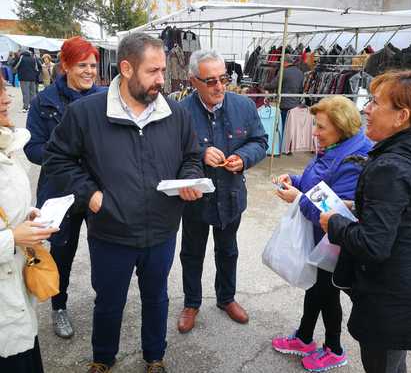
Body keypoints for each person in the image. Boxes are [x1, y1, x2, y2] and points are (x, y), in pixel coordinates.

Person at [43, 33, 204, 373]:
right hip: (110, 231)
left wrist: (190, 180)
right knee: (109, 302)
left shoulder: (176, 114)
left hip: (161, 230)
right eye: (153, 71)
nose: (162, 79)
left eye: (163, 70)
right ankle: (103, 359)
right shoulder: (85, 113)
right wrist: (90, 194)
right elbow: (58, 160)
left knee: (157, 298)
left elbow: (191, 158)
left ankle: (154, 358)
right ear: (127, 68)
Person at [320, 71, 411, 373]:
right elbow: (407, 211)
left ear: (401, 116)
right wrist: (362, 206)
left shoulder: (391, 167)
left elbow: (373, 245)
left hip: (392, 296)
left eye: (375, 103)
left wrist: (336, 223)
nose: (365, 108)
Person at [272, 96, 372, 372]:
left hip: (335, 243)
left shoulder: (356, 158)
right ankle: (304, 338)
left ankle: (334, 349)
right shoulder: (335, 146)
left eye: (321, 127)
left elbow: (338, 213)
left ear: (341, 127)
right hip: (319, 239)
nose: (314, 132)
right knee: (316, 288)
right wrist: (293, 180)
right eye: (315, 125)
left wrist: (298, 198)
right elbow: (318, 185)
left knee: (327, 293)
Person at [177, 49, 268, 334]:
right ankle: (191, 302)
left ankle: (226, 298)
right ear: (194, 81)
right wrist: (201, 153)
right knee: (192, 252)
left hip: (231, 195)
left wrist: (244, 158)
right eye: (211, 81)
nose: (219, 87)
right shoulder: (178, 111)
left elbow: (260, 141)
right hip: (196, 199)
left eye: (224, 79)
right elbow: (166, 152)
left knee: (228, 251)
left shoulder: (244, 106)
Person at [24, 36, 103, 340]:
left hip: (96, 187)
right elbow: (33, 148)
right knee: (62, 252)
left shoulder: (103, 98)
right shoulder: (43, 102)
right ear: (65, 65)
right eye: (82, 65)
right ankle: (59, 307)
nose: (89, 71)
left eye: (93, 65)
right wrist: (66, 157)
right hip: (59, 190)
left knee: (104, 249)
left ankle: (104, 301)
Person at [0, 74, 59, 373]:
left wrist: (28, 216)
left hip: (14, 294)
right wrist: (13, 237)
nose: (6, 98)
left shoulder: (4, 144)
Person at [265, 54, 304, 135]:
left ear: (284, 62)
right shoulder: (300, 72)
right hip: (296, 105)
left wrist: (263, 86)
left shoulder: (283, 72)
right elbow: (301, 89)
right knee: (292, 129)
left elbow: (273, 85)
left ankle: (282, 146)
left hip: (285, 105)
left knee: (283, 129)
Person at [13, 48, 41, 112]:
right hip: (33, 78)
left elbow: (14, 65)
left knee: (25, 92)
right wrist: (35, 74)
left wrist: (17, 70)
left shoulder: (21, 58)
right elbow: (37, 68)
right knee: (32, 93)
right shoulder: (33, 58)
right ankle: (33, 107)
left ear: (22, 52)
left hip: (23, 78)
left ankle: (25, 107)